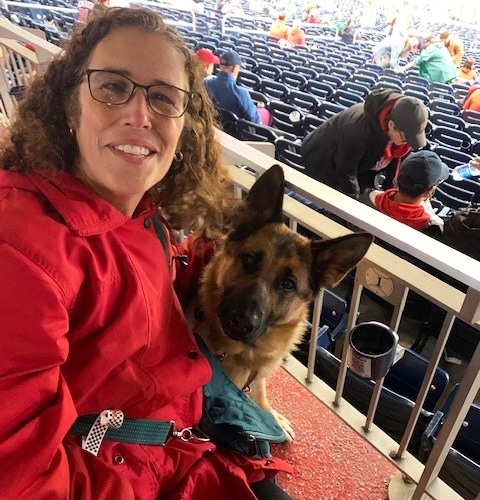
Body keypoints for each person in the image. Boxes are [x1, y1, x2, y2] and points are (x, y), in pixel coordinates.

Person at [0, 7, 293, 500]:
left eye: (163, 98)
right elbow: (24, 478)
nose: (139, 116)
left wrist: (246, 262)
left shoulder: (145, 213)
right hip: (126, 471)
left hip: (179, 442)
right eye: (113, 87)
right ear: (70, 108)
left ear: (184, 129)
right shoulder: (20, 250)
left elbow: (152, 277)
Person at [300, 89, 429, 199]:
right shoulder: (358, 130)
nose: (408, 145)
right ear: (391, 125)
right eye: (407, 139)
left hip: (358, 165)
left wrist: (389, 195)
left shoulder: (403, 132)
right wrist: (352, 206)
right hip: (323, 160)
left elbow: (394, 168)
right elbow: (346, 171)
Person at [364, 150, 449, 237]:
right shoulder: (433, 229)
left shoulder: (365, 200)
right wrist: (432, 215)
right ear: (430, 191)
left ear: (396, 179)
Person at [204, 49, 261, 124]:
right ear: (235, 68)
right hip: (233, 133)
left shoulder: (206, 83)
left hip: (211, 126)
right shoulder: (241, 93)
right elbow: (254, 121)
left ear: (220, 66)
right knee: (264, 112)